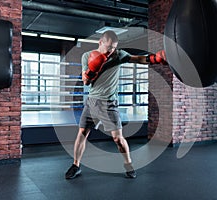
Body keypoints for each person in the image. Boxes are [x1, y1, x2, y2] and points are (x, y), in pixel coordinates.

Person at [65, 30, 167, 179]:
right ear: (100, 42)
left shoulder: (118, 55)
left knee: (118, 139)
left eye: (114, 47)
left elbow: (138, 59)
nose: (111, 50)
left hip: (109, 104)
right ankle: (76, 165)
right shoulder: (87, 56)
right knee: (82, 134)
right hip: (92, 102)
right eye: (109, 47)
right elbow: (85, 81)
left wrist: (155, 58)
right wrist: (93, 69)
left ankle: (128, 164)